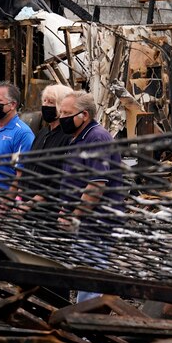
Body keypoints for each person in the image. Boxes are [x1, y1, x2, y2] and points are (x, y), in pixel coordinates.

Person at [56, 91, 125, 302]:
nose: (61, 117)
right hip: (84, 220)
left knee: (91, 277)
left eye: (67, 113)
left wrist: (75, 215)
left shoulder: (97, 138)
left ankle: (88, 328)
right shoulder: (77, 138)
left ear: (84, 115)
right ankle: (83, 322)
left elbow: (95, 187)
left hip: (96, 222)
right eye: (61, 112)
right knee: (83, 273)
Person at [18, 84, 74, 206]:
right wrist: (19, 197)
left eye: (51, 102)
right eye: (45, 101)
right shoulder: (42, 133)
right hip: (25, 206)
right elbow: (28, 166)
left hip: (47, 210)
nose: (46, 106)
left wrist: (29, 205)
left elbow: (56, 180)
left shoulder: (68, 137)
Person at [0, 81, 35, 191]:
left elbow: (20, 175)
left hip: (3, 200)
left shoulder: (23, 134)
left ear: (12, 105)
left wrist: (5, 203)